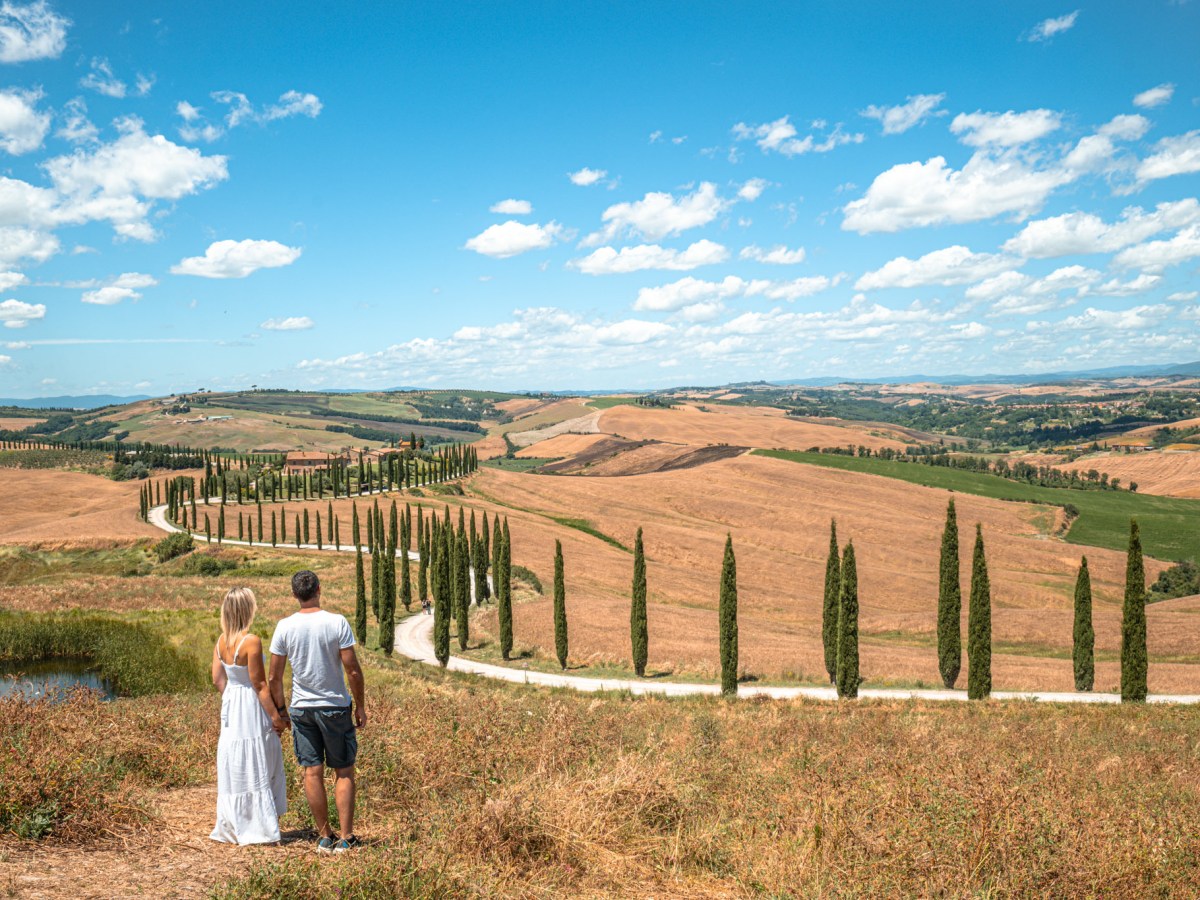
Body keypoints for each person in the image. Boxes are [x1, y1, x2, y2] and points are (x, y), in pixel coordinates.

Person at [269, 570, 367, 854]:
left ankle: (324, 836)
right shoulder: (337, 622)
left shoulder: (284, 626)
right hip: (335, 706)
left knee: (312, 771)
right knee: (344, 771)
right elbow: (352, 669)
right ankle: (347, 838)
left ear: (294, 595)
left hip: (302, 709)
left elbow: (275, 677)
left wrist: (282, 712)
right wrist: (359, 705)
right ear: (319, 589)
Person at [210, 587, 288, 845]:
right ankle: (258, 823)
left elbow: (217, 679)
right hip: (250, 704)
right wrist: (277, 717)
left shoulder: (221, 641)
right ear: (247, 609)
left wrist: (231, 695)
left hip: (232, 702)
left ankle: (233, 823)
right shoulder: (251, 641)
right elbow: (260, 685)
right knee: (260, 754)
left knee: (236, 757)